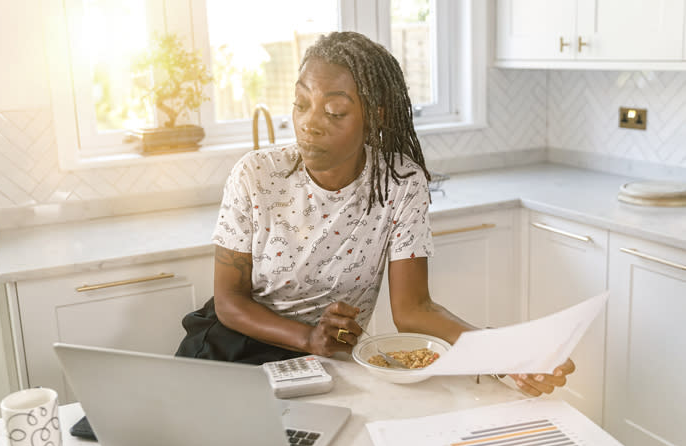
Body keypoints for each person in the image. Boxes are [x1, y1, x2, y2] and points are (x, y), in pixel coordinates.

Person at [176, 31, 574, 397]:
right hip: (228, 348)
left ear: (376, 117)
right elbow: (229, 301)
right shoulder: (256, 174)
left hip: (324, 361)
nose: (309, 124)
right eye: (300, 104)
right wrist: (308, 336)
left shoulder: (400, 183)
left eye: (334, 112)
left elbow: (414, 310)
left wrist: (503, 352)